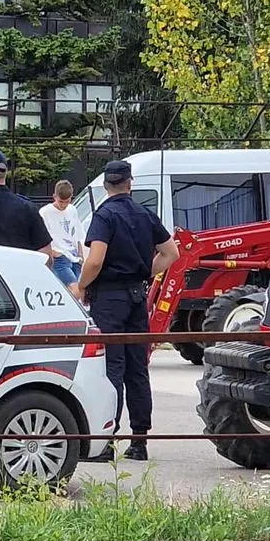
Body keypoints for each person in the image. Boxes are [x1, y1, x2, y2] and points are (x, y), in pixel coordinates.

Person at [74, 160, 179, 463]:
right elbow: (171, 252)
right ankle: (139, 440)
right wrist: (147, 271)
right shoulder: (146, 214)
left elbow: (95, 260)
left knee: (111, 369)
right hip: (136, 297)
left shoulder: (104, 215)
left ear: (106, 186)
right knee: (137, 369)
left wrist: (81, 286)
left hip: (109, 299)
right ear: (130, 183)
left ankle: (106, 441)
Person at [40, 179, 86, 291]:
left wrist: (80, 254)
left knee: (76, 291)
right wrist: (54, 254)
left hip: (74, 256)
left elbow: (78, 233)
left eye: (67, 201)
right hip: (59, 256)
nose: (64, 205)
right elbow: (42, 236)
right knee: (75, 290)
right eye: (61, 202)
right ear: (54, 197)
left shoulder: (72, 210)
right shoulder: (45, 212)